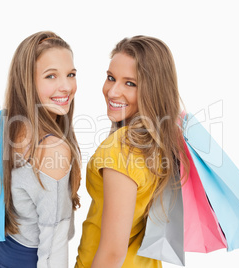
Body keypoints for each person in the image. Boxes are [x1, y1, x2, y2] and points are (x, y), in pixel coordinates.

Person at [75, 36, 189, 268]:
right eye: (111, 78)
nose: (113, 91)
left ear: (153, 90)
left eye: (130, 83)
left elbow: (112, 253)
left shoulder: (121, 148)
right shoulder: (161, 142)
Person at [0, 31, 81, 268]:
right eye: (51, 76)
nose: (66, 86)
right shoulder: (53, 148)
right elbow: (52, 252)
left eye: (71, 74)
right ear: (27, 82)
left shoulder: (3, 126)